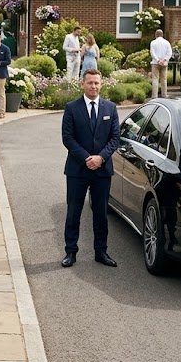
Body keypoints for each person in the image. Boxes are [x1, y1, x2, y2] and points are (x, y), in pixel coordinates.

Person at [60, 69, 120, 268]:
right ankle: (70, 251)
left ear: (101, 85)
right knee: (73, 211)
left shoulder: (110, 108)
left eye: (97, 83)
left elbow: (115, 139)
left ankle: (101, 251)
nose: (93, 86)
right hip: (78, 170)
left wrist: (101, 158)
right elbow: (67, 138)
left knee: (101, 213)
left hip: (102, 171)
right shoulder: (71, 108)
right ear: (82, 84)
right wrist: (87, 158)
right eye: (90, 83)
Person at [149, 29, 173, 99]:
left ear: (156, 35)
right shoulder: (167, 42)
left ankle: (154, 96)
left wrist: (158, 60)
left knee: (155, 79)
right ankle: (164, 94)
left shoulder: (153, 42)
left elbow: (152, 53)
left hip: (155, 63)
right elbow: (169, 53)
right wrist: (164, 60)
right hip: (164, 63)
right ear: (162, 35)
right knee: (164, 79)